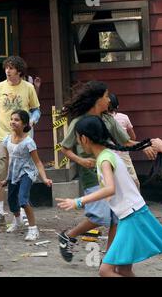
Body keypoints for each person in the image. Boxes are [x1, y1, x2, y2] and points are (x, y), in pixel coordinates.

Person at [56, 115, 162, 277]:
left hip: (132, 216)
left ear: (84, 139)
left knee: (105, 271)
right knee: (123, 270)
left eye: (77, 140)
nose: (78, 144)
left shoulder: (104, 159)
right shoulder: (108, 155)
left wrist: (78, 201)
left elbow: (110, 189)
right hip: (131, 215)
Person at [58, 81, 156, 263]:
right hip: (91, 175)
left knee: (116, 218)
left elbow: (125, 142)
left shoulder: (109, 119)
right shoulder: (79, 122)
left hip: (109, 171)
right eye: (105, 96)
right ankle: (68, 235)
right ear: (97, 99)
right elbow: (65, 148)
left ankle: (110, 258)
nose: (108, 100)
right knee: (101, 216)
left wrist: (147, 145)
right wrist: (80, 160)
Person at [0, 56, 41, 228]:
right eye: (6, 68)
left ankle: (22, 211)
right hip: (1, 137)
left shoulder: (28, 88)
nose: (8, 71)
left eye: (12, 68)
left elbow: (36, 110)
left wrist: (32, 121)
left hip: (22, 139)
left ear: (19, 70)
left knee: (21, 175)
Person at [2, 110, 52, 240]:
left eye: (17, 120)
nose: (13, 122)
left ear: (25, 124)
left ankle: (33, 229)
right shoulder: (7, 139)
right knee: (12, 201)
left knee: (22, 199)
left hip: (27, 173)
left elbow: (38, 162)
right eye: (12, 119)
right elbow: (8, 159)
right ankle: (17, 221)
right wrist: (6, 178)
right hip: (13, 173)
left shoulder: (29, 142)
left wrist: (44, 178)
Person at [108, 93, 140, 188]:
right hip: (123, 154)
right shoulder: (124, 117)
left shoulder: (99, 119)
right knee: (134, 182)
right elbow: (133, 137)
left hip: (107, 155)